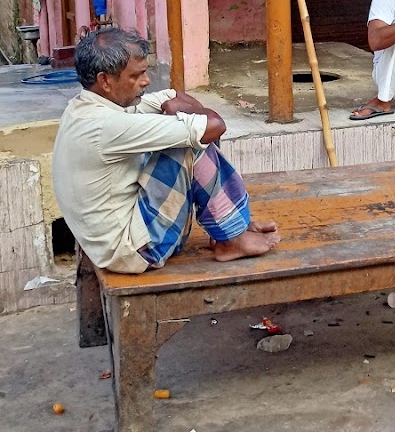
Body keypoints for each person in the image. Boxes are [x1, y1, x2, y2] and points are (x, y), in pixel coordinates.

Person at [52, 27, 277, 274]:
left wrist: (177, 110)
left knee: (187, 132)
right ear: (105, 80)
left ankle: (230, 227)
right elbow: (215, 126)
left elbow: (174, 95)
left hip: (116, 239)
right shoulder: (106, 126)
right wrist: (185, 115)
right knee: (190, 145)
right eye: (136, 76)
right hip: (134, 251)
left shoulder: (88, 106)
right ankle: (231, 237)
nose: (146, 81)